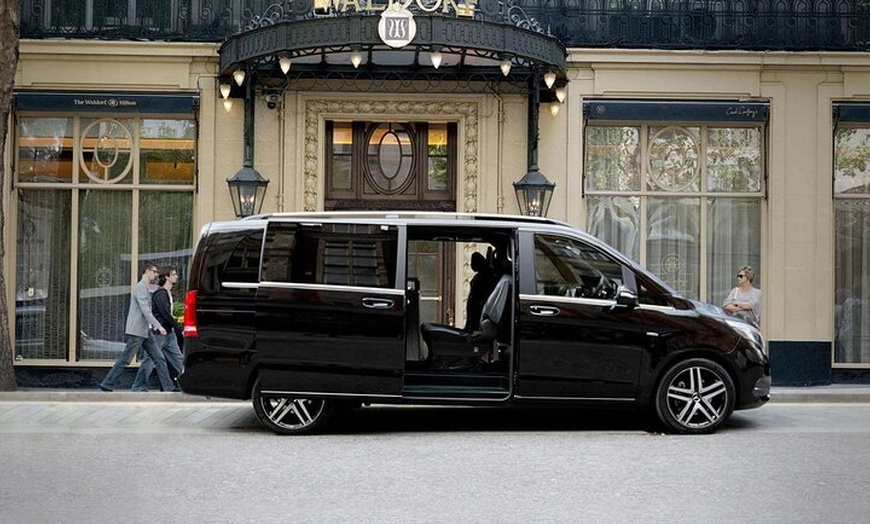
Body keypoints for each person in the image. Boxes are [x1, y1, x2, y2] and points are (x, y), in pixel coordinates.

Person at [98, 263, 176, 392]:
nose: (156, 274)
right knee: (125, 359)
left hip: (145, 331)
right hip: (137, 331)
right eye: (154, 271)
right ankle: (107, 384)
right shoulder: (140, 287)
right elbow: (145, 310)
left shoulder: (146, 287)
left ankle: (168, 387)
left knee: (159, 358)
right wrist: (159, 326)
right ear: (147, 271)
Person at [131, 266, 184, 391]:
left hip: (168, 334)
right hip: (159, 334)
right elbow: (165, 313)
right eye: (174, 274)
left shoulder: (167, 293)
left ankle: (191, 384)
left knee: (178, 359)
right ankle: (138, 386)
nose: (176, 276)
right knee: (149, 360)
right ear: (167, 277)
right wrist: (178, 327)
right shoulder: (160, 293)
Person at [464, 251, 496, 331]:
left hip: (479, 308)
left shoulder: (486, 276)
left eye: (474, 262)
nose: (471, 265)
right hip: (474, 308)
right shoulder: (479, 276)